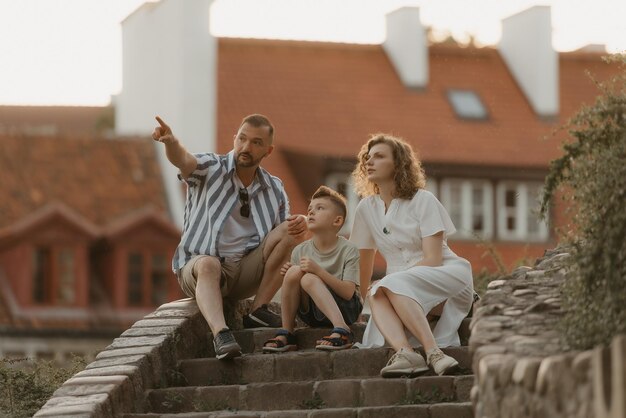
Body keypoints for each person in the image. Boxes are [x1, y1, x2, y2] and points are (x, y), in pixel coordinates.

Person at [152, 114, 307, 360]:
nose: (246, 147)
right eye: (242, 139)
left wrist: (303, 222)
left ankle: (258, 309)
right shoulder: (210, 167)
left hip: (245, 271)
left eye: (256, 142)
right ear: (234, 139)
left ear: (268, 150)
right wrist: (171, 143)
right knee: (208, 264)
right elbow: (184, 160)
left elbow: (281, 241)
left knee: (293, 227)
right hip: (200, 267)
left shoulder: (274, 188)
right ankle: (221, 334)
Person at [349, 133, 474, 377]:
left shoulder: (423, 200)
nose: (369, 162)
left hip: (444, 273)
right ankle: (407, 354)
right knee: (377, 293)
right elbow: (363, 264)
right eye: (367, 157)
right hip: (396, 287)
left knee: (387, 286)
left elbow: (434, 259)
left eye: (379, 156)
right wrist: (356, 308)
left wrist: (391, 283)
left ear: (398, 164)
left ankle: (434, 352)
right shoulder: (366, 208)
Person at [262, 186, 362, 353]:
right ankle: (287, 332)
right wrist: (289, 274)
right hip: (313, 313)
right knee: (294, 272)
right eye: (310, 209)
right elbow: (295, 286)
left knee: (308, 278)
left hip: (346, 309)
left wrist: (318, 271)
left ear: (337, 221)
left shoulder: (349, 249)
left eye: (320, 208)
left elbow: (348, 292)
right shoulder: (300, 250)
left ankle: (342, 329)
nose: (311, 213)